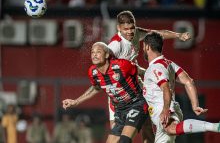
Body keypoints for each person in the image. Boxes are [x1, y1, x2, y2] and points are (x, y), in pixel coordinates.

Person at [107, 10, 191, 143]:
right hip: (119, 92)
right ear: (118, 28)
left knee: (146, 123)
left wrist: (178, 35)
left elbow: (157, 34)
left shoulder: (136, 33)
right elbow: (107, 70)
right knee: (117, 132)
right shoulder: (115, 46)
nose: (130, 32)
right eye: (126, 29)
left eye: (132, 28)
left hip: (135, 86)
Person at [63, 42, 149, 143]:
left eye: (98, 52)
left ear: (107, 55)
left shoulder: (121, 65)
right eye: (92, 52)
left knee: (125, 140)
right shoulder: (93, 72)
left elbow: (144, 72)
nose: (94, 55)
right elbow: (96, 88)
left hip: (136, 105)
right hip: (120, 110)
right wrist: (76, 101)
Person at [142, 32, 220, 143]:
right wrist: (195, 105)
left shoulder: (156, 67)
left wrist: (165, 110)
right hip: (166, 113)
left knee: (171, 128)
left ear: (147, 46)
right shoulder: (168, 63)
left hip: (165, 112)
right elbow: (188, 81)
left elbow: (166, 88)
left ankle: (214, 127)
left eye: (143, 47)